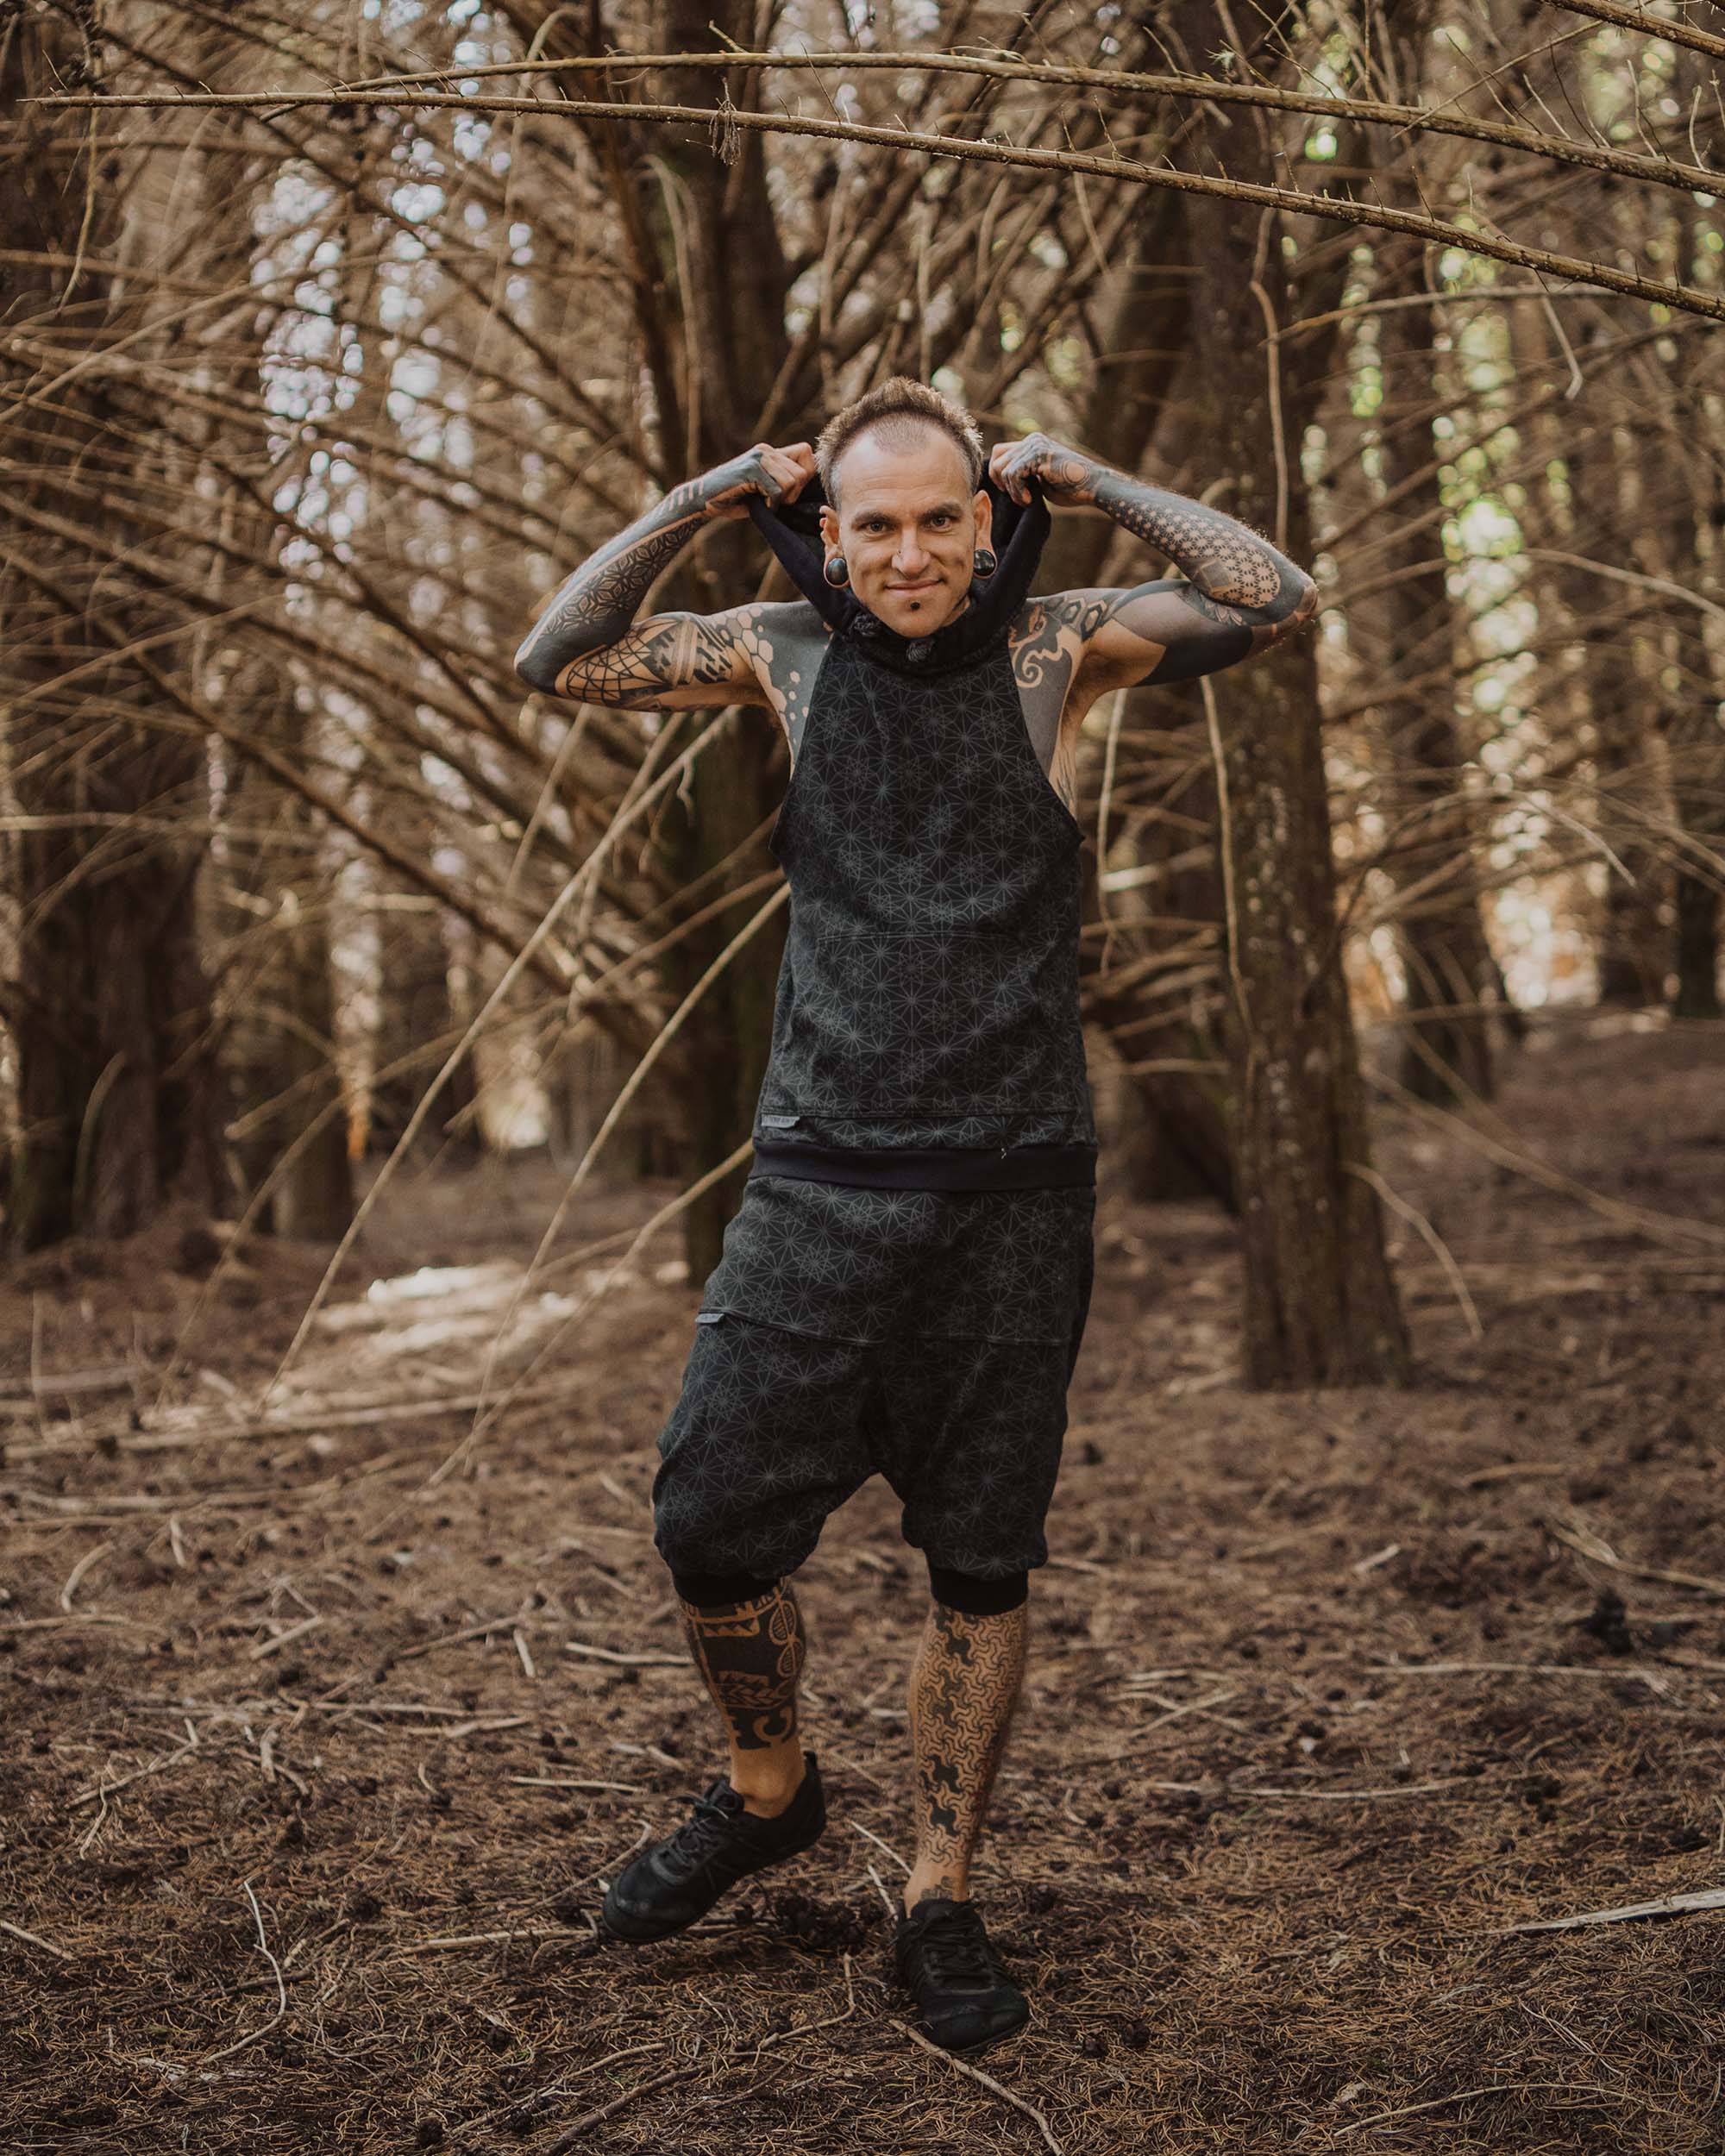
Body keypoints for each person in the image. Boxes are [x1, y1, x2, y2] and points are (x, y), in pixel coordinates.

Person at [515, 378, 1316, 2052]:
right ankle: (769, 1787)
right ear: (829, 530)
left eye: (937, 517)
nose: (904, 553)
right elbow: (560, 653)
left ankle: (937, 1891)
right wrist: (717, 491)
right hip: (815, 1180)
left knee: (978, 1560)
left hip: (1014, 1192)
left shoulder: (1061, 649)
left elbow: (1273, 594)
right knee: (707, 1520)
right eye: (869, 523)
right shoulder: (776, 651)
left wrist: (1090, 476)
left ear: (981, 518)